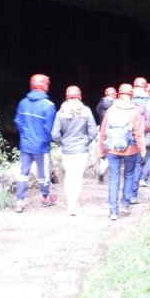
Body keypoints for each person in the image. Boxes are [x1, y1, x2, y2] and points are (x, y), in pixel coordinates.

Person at [98, 83, 146, 221]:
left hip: (111, 149)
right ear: (131, 95)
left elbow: (103, 132)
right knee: (129, 175)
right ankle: (125, 204)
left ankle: (113, 211)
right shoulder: (134, 111)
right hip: (130, 150)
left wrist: (102, 151)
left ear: (119, 94)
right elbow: (138, 134)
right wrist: (142, 151)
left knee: (113, 178)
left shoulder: (111, 110)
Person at [51, 85, 98, 216]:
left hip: (67, 150)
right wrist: (85, 142)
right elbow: (93, 131)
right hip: (82, 151)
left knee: (69, 176)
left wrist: (63, 142)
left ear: (66, 97)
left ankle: (70, 203)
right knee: (77, 177)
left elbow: (54, 134)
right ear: (80, 96)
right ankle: (73, 205)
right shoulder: (86, 111)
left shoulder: (61, 113)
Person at [13, 73, 56, 212]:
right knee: (43, 173)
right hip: (41, 147)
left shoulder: (23, 102)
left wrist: (25, 135)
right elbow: (49, 129)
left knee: (23, 173)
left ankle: (19, 201)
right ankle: (45, 198)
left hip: (25, 145)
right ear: (43, 86)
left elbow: (18, 121)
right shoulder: (49, 105)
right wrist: (46, 140)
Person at [128, 76, 150, 202]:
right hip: (142, 138)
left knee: (128, 168)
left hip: (127, 139)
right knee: (138, 166)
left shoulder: (126, 100)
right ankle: (133, 195)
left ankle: (125, 195)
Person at [95, 86, 117, 182]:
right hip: (112, 131)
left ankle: (101, 169)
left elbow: (97, 112)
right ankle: (107, 172)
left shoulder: (100, 104)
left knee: (103, 152)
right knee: (112, 153)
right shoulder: (116, 105)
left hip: (102, 130)